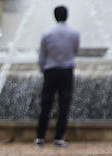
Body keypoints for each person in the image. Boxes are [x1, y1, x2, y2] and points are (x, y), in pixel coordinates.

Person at [36, 5, 79, 147]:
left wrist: (44, 70)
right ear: (67, 16)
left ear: (55, 16)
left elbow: (42, 55)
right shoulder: (74, 33)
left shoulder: (47, 34)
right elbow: (75, 51)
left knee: (46, 104)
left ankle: (40, 137)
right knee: (64, 104)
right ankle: (58, 137)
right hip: (66, 71)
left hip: (50, 71)